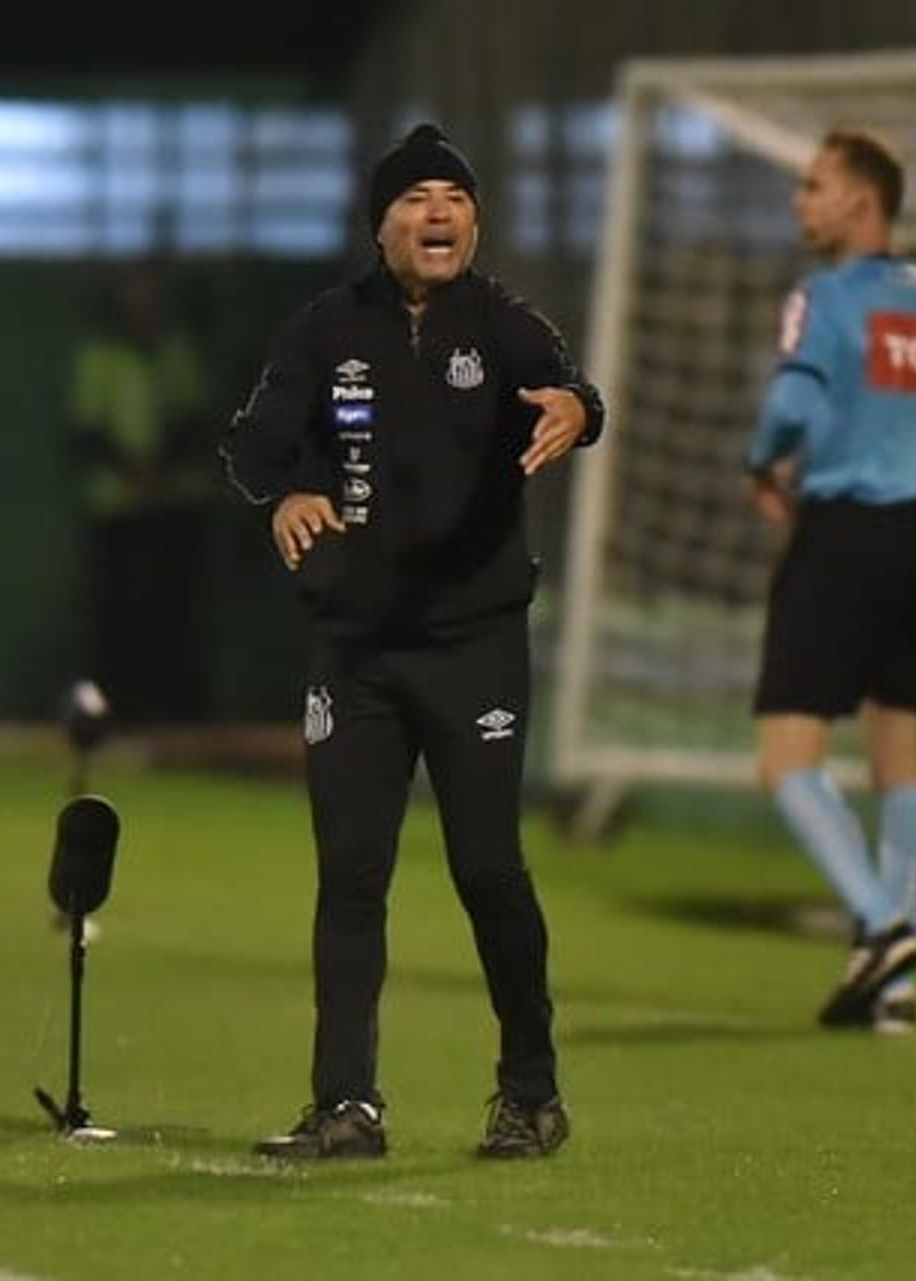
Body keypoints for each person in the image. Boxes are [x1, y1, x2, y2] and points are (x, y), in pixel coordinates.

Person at [221, 124, 603, 1159]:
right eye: (417, 198)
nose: (440, 213)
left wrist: (577, 406)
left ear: (475, 222)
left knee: (487, 869)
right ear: (380, 223)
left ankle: (531, 1093)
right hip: (357, 652)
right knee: (351, 876)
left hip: (474, 645)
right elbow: (255, 441)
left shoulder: (506, 326)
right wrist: (288, 489)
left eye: (456, 198)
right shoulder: (324, 330)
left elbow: (576, 389)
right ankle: (348, 1106)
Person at [745, 129, 916, 1033]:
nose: (801, 201)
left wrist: (762, 463)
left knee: (788, 754)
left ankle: (885, 919)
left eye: (815, 186)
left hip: (846, 532)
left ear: (861, 203)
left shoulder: (826, 297)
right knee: (900, 756)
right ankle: (896, 988)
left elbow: (789, 403)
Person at [70, 265, 214, 724]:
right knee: (115, 614)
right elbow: (85, 430)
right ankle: (115, 711)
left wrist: (161, 466)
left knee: (174, 614)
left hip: (176, 506)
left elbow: (196, 420)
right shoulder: (100, 356)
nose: (141, 302)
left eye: (149, 291)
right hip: (117, 508)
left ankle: (175, 714)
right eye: (133, 292)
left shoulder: (177, 351)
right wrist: (132, 470)